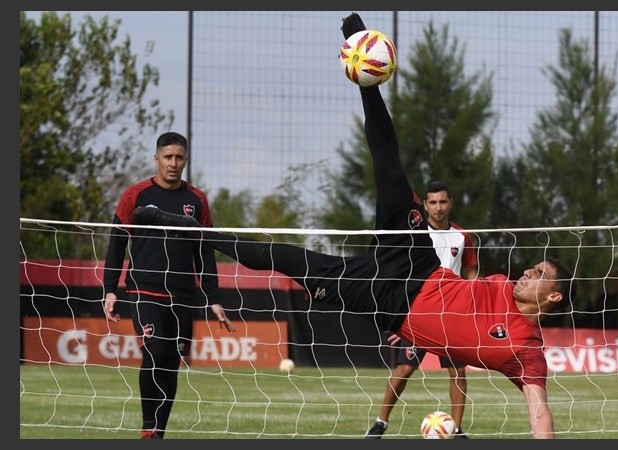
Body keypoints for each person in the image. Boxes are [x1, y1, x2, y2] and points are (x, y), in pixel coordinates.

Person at [132, 13, 575, 439]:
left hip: (385, 302)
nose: (526, 272)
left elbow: (538, 408)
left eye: (538, 274)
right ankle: (363, 60)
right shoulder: (500, 286)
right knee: (390, 169)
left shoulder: (527, 351)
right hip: (418, 265)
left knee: (286, 258)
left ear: (553, 296)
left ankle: (181, 226)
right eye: (532, 267)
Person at [102, 131, 235, 440]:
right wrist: (109, 289)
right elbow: (116, 244)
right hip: (143, 291)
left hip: (182, 295)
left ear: (185, 160)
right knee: (155, 350)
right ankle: (148, 427)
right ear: (157, 159)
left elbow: (205, 251)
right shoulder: (135, 195)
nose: (173, 163)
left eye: (179, 158)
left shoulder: (196, 200)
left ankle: (159, 434)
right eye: (168, 157)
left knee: (171, 363)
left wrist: (214, 298)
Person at [366, 181, 478, 439]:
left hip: (451, 315)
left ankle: (456, 429)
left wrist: (471, 300)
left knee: (458, 371)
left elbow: (471, 270)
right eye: (433, 202)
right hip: (419, 312)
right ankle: (380, 422)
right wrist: (399, 317)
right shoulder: (415, 234)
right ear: (425, 205)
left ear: (450, 203)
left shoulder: (462, 236)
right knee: (404, 369)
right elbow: (399, 273)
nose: (438, 207)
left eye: (443, 202)